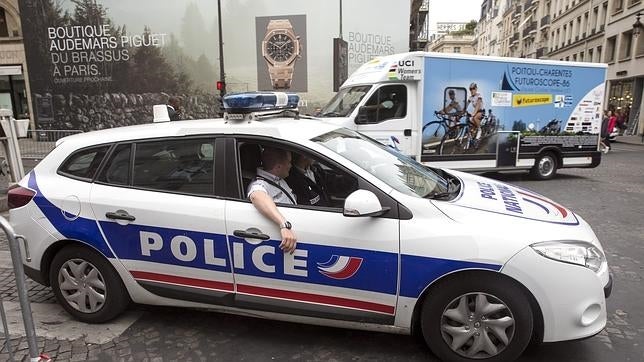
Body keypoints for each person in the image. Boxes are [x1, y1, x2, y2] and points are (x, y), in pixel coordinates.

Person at [247, 147, 297, 254]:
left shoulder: (278, 179)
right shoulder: (260, 184)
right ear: (278, 167)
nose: (291, 166)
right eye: (289, 162)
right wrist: (284, 225)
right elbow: (257, 196)